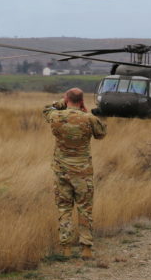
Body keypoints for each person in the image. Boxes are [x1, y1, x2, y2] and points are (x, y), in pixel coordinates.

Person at [42, 88, 107, 259]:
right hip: (82, 173)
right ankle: (86, 248)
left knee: (64, 208)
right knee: (85, 209)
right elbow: (101, 134)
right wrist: (86, 112)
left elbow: (46, 109)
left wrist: (61, 104)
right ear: (82, 100)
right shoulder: (89, 119)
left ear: (66, 98)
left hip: (61, 171)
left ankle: (66, 248)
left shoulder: (56, 116)